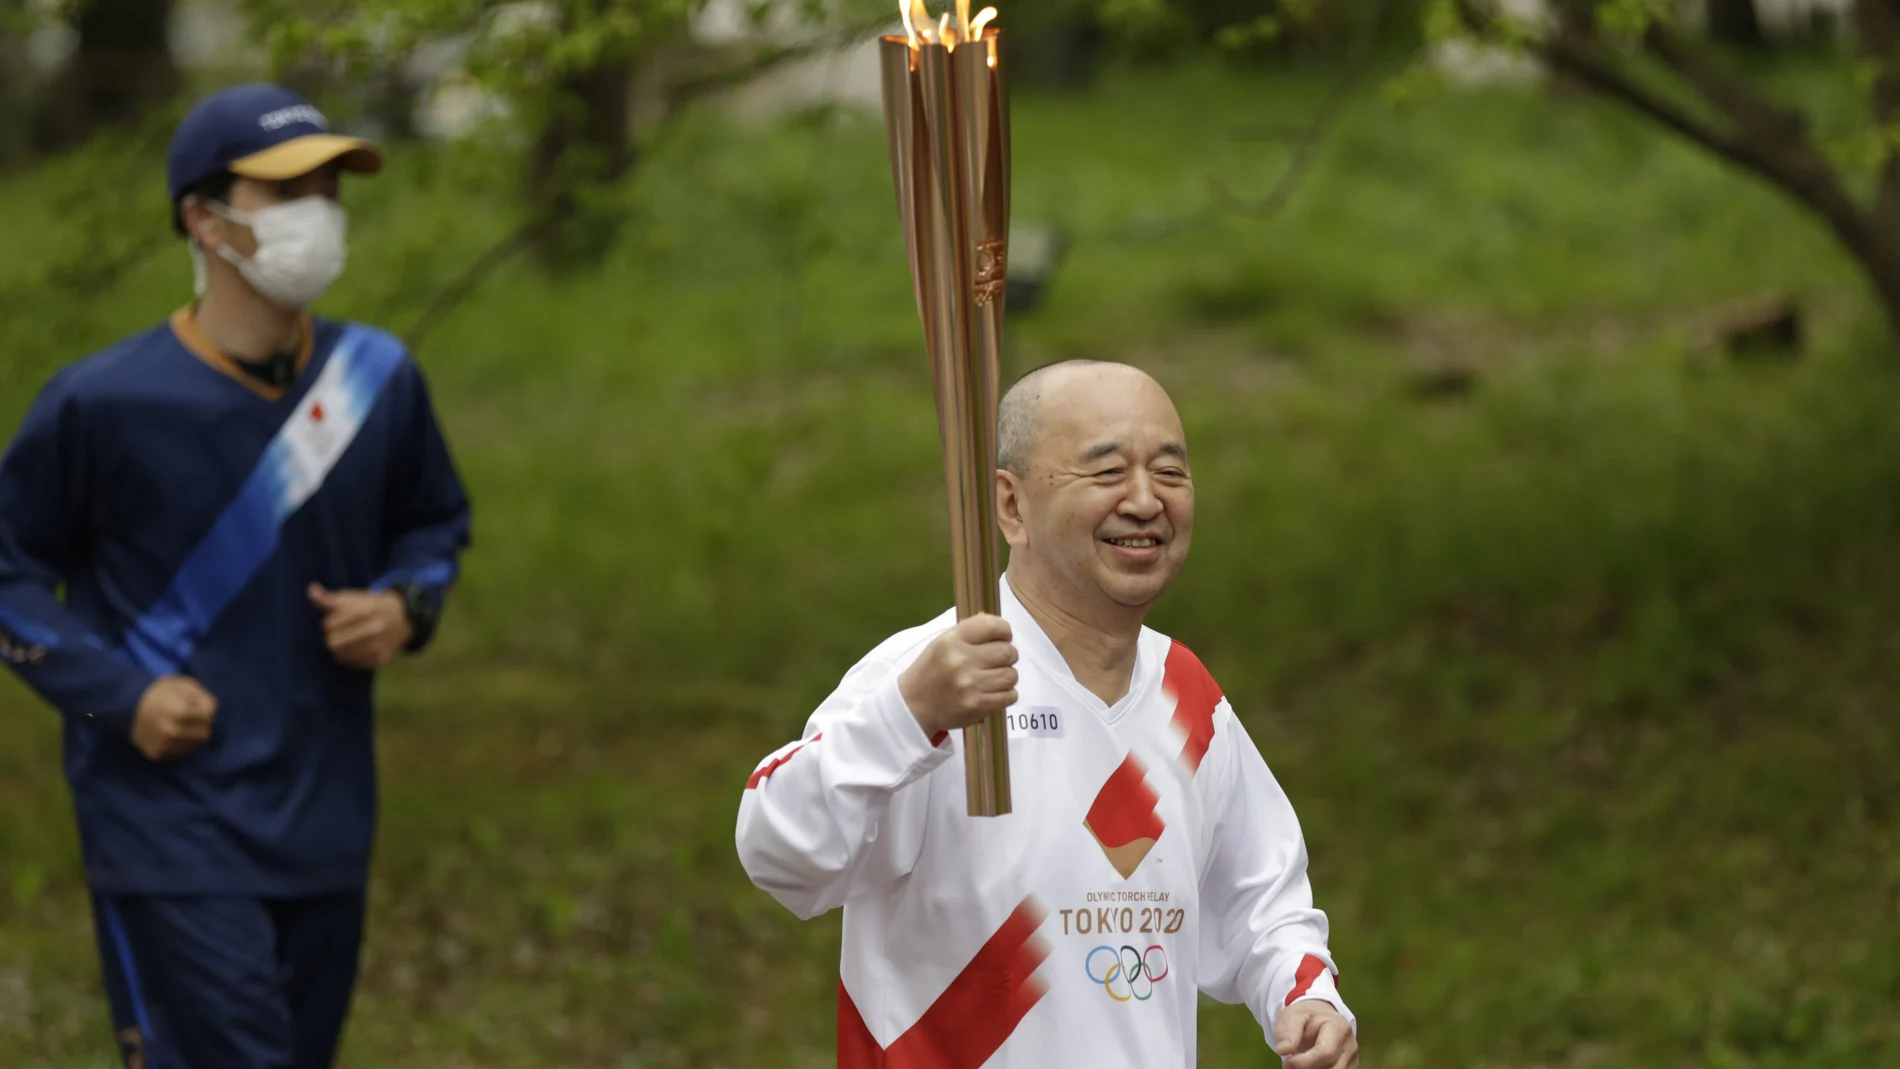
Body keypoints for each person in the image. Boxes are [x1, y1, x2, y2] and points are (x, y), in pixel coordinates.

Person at [0, 83, 472, 1069]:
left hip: (325, 817)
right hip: (166, 824)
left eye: (331, 187)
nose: (320, 213)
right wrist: (117, 695)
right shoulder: (103, 402)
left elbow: (434, 522)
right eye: (286, 190)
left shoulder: (377, 378)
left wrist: (405, 607)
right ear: (202, 219)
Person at [735, 360, 1358, 1068]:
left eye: (1170, 471)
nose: (1146, 500)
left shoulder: (1187, 700)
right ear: (1010, 505)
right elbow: (778, 851)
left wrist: (1305, 995)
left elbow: (1263, 899)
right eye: (1106, 471)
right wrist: (908, 717)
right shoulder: (932, 679)